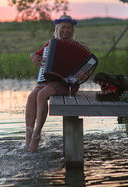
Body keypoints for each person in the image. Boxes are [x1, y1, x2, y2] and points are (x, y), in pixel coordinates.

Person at [25, 14, 80, 152]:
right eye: (63, 28)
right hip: (50, 81)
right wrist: (33, 57)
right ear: (58, 28)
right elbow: (35, 55)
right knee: (32, 96)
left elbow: (85, 67)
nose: (66, 30)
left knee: (42, 94)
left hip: (67, 84)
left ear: (72, 30)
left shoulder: (76, 47)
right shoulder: (51, 44)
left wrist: (82, 73)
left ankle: (37, 135)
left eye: (69, 28)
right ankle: (28, 137)